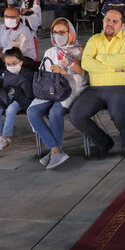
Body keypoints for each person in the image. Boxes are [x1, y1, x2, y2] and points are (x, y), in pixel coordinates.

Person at [69, 8, 125, 159]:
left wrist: (99, 57)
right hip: (96, 90)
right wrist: (114, 69)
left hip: (122, 88)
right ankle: (104, 142)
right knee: (76, 115)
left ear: (122, 25)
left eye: (115, 21)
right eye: (107, 20)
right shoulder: (94, 39)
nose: (110, 24)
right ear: (103, 21)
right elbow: (86, 63)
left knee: (118, 113)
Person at [27, 18, 86, 169]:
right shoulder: (50, 51)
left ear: (70, 33)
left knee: (55, 113)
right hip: (51, 90)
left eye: (62, 32)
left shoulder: (78, 51)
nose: (58, 35)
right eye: (55, 32)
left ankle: (55, 150)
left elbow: (84, 75)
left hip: (71, 89)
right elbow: (44, 75)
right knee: (33, 111)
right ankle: (55, 150)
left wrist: (64, 71)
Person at [0, 48, 34, 151]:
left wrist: (9, 81)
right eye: (8, 64)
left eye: (14, 63)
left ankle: (5, 137)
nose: (11, 66)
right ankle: (1, 135)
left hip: (21, 100)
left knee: (10, 110)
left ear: (21, 62)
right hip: (5, 99)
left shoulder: (27, 73)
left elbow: (28, 93)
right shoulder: (4, 72)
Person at [0, 7, 37, 77]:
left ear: (18, 18)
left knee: (7, 75)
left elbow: (15, 53)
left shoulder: (24, 30)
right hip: (6, 57)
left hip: (23, 58)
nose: (9, 18)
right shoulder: (0, 28)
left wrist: (1, 57)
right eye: (7, 16)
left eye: (13, 16)